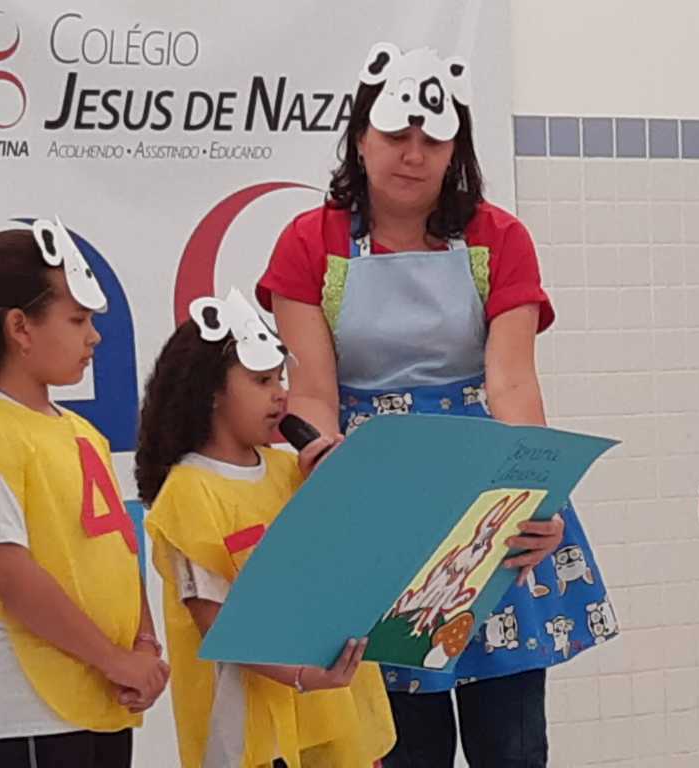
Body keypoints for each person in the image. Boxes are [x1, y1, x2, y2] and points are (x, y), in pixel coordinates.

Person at [256, 42, 616, 767]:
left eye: (433, 139)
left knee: (512, 744)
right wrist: (326, 467)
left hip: (487, 494)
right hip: (373, 494)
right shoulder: (308, 242)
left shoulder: (499, 237)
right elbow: (315, 389)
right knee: (401, 743)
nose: (413, 154)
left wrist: (537, 497)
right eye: (395, 134)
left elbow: (512, 382)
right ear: (360, 138)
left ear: (457, 149)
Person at [0, 221, 168, 768]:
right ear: (20, 327)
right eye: (77, 319)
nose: (94, 337)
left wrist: (143, 645)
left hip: (99, 697)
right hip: (27, 706)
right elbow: (9, 572)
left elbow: (120, 545)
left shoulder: (83, 433)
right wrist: (116, 660)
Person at [138, 287, 395, 767]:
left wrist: (337, 496)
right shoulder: (188, 493)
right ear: (210, 392)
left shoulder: (288, 470)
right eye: (261, 380)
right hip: (253, 731)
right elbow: (217, 624)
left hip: (328, 714)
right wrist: (301, 675)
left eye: (280, 378)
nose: (280, 393)